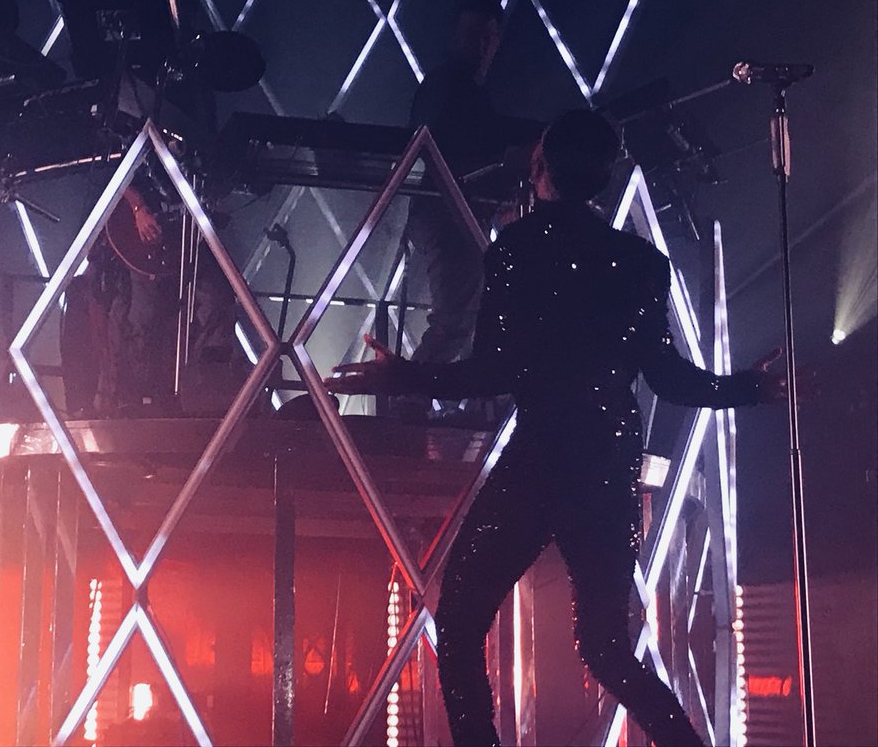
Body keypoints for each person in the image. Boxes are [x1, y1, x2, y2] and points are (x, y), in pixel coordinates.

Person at [327, 109, 789, 746]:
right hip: (605, 463)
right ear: (603, 173)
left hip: (542, 459)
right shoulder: (641, 264)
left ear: (539, 167)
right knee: (606, 647)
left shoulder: (516, 253)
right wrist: (747, 388)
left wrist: (402, 377)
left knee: (459, 623)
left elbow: (492, 373)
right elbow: (669, 380)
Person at [404, 0, 539, 381]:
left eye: (488, 36)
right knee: (456, 321)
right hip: (448, 212)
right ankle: (405, 398)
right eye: (473, 34)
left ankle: (410, 396)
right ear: (455, 36)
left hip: (448, 212)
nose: (481, 44)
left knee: (463, 318)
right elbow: (463, 141)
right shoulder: (454, 88)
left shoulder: (451, 87)